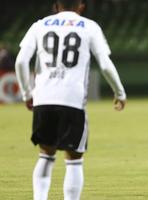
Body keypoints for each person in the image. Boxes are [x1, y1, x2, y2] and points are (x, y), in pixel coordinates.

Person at [15, 0, 126, 200]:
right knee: (74, 160)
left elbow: (21, 61)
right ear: (81, 6)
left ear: (56, 5)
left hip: (43, 99)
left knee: (46, 155)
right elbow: (105, 64)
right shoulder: (90, 27)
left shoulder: (39, 25)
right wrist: (119, 92)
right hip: (72, 100)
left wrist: (26, 94)